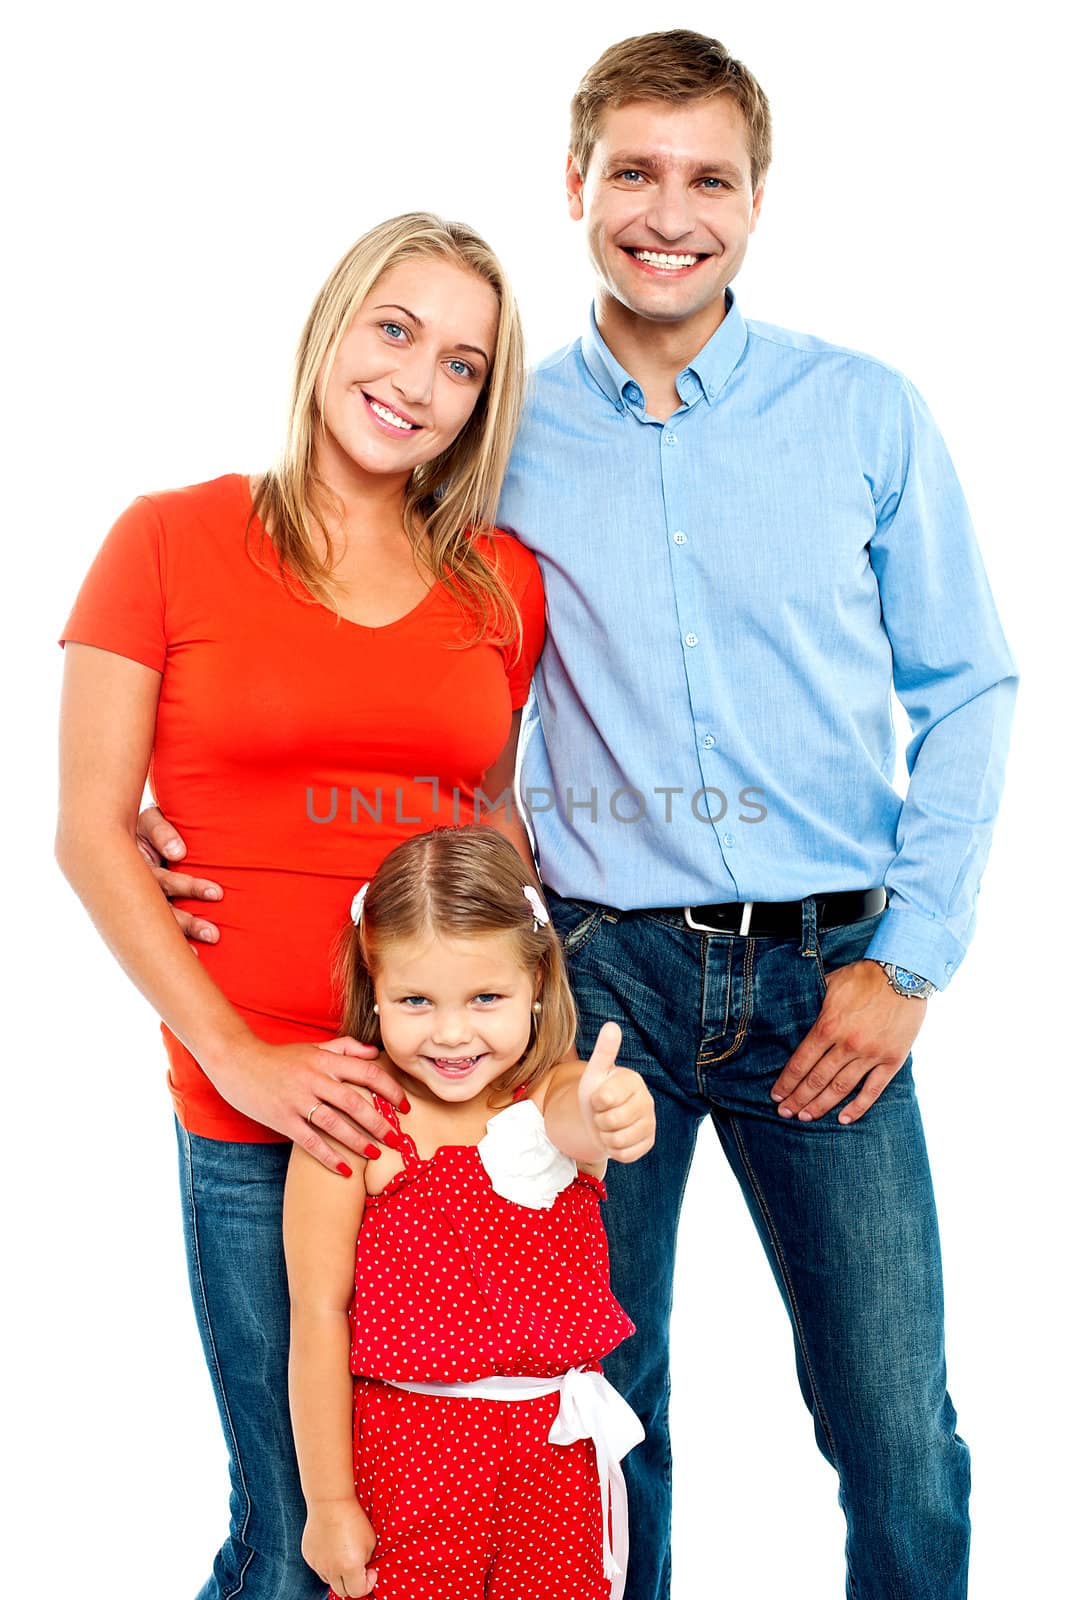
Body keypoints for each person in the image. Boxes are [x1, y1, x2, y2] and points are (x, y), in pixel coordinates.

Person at [135, 30, 1017, 1600]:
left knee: (896, 1424)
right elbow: (389, 643)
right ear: (576, 185)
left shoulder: (867, 413)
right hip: (596, 980)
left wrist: (912, 961)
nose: (667, 211)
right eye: (632, 171)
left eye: (707, 178)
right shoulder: (497, 434)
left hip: (834, 980)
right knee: (605, 1403)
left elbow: (969, 688)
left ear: (757, 199)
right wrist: (167, 799)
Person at [56, 213, 544, 1600]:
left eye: (461, 363)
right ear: (333, 327)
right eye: (395, 329)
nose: (416, 380)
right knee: (297, 1532)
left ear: (479, 405)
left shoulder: (498, 583)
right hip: (255, 1112)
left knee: (433, 1516)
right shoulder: (168, 538)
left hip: (453, 1117)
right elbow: (90, 830)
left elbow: (489, 821)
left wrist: (527, 1043)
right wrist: (239, 1059)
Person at [284, 825, 653, 1599]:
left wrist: (612, 1106)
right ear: (373, 994)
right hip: (409, 1463)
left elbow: (582, 1115)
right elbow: (318, 1317)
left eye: (486, 998)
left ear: (538, 988)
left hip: (554, 1465)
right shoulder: (357, 1129)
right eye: (415, 1001)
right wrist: (328, 1503)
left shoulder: (550, 1096)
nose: (451, 1033)